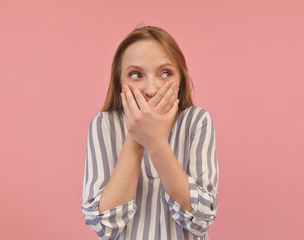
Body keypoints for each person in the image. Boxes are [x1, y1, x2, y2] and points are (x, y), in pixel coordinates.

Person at [81, 25, 219, 240]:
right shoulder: (104, 125)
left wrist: (155, 142)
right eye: (136, 75)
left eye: (165, 73)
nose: (151, 89)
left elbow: (201, 218)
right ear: (119, 81)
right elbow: (104, 225)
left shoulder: (197, 122)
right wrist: (138, 136)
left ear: (181, 78)